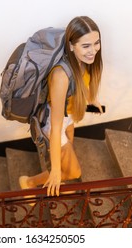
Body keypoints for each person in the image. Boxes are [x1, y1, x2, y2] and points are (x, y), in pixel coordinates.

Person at [19, 16, 104, 197]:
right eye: (86, 45)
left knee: (67, 158)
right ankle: (28, 182)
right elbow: (56, 127)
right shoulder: (61, 76)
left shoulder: (84, 61)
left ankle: (54, 174)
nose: (93, 50)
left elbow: (81, 85)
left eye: (96, 43)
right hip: (54, 123)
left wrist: (92, 99)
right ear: (71, 45)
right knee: (73, 172)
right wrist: (55, 170)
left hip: (70, 116)